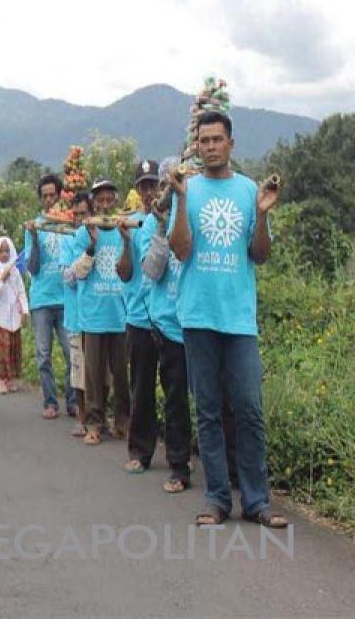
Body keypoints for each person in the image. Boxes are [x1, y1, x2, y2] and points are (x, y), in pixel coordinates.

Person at [168, 111, 286, 528]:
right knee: (209, 411)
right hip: (199, 316)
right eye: (204, 140)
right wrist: (181, 200)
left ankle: (256, 501)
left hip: (239, 320)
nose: (211, 146)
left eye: (218, 139)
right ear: (196, 146)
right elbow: (180, 250)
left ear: (231, 144)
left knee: (250, 409)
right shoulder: (188, 188)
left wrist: (265, 214)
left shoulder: (250, 191)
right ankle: (217, 499)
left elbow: (260, 254)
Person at [135, 157, 193, 494]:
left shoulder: (193, 214)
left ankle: (229, 470)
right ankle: (179, 465)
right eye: (163, 184)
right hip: (169, 324)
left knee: (217, 399)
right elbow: (153, 270)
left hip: (200, 320)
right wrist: (159, 227)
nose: (166, 190)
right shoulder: (148, 226)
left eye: (173, 183)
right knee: (175, 398)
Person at [69, 180, 132, 446]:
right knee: (94, 375)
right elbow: (76, 272)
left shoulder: (122, 229)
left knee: (120, 374)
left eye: (109, 200)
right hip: (93, 316)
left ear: (114, 201)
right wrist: (92, 246)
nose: (105, 205)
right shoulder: (85, 232)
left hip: (119, 314)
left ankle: (123, 423)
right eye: (101, 201)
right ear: (94, 203)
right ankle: (94, 423)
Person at [118, 159, 161, 473]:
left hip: (170, 318)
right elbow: (125, 273)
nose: (149, 191)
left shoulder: (171, 219)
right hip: (138, 316)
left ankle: (179, 452)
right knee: (142, 387)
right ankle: (140, 451)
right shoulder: (129, 223)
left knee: (175, 389)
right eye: (143, 186)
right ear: (137, 190)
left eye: (153, 184)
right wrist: (124, 243)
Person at [24, 174, 76, 419]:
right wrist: (34, 240)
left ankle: (74, 401)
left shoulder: (68, 225)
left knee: (70, 352)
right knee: (43, 355)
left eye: (52, 195)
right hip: (42, 300)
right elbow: (32, 268)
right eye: (44, 196)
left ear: (59, 196)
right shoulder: (34, 226)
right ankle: (50, 401)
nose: (48, 200)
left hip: (66, 299)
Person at [62, 192, 92, 436]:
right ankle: (81, 416)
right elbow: (69, 278)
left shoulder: (103, 235)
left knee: (99, 371)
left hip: (100, 314)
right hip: (76, 315)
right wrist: (87, 255)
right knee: (79, 369)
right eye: (77, 214)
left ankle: (98, 416)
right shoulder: (68, 241)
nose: (81, 219)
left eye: (85, 213)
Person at [0, 236, 29, 394]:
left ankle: (10, 379)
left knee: (13, 348)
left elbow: (21, 291)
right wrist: (2, 280)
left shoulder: (15, 271)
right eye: (1, 251)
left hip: (14, 316)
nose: (5, 254)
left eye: (7, 251)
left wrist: (25, 311)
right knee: (1, 349)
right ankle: (1, 379)